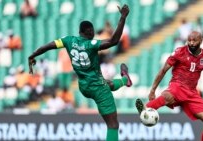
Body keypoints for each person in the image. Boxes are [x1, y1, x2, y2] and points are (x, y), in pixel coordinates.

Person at [28, 5, 130, 141]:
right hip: (98, 88)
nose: (93, 33)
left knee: (108, 84)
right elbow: (114, 41)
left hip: (83, 86)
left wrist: (33, 55)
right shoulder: (91, 44)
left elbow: (48, 46)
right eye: (92, 30)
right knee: (113, 125)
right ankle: (124, 81)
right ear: (87, 31)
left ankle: (124, 80)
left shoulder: (68, 40)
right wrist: (122, 17)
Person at [136, 31, 203, 141]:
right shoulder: (180, 52)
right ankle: (146, 109)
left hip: (192, 93)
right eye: (189, 40)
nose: (191, 43)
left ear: (201, 41)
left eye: (194, 41)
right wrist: (152, 90)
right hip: (177, 85)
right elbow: (163, 70)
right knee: (169, 95)